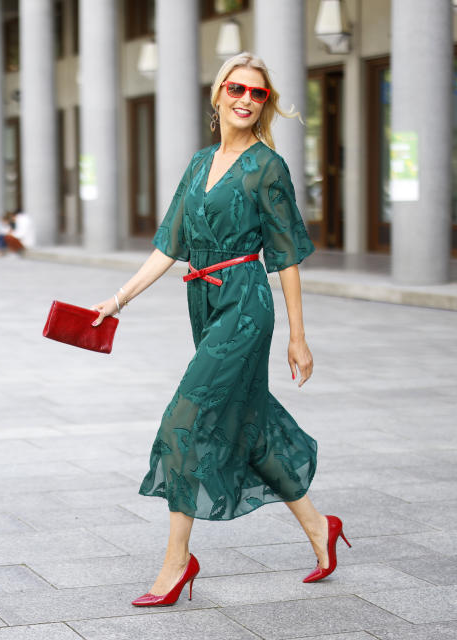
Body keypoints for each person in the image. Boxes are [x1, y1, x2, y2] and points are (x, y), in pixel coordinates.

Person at [91, 52, 348, 607]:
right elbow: (169, 245)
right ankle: (318, 528)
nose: (246, 100)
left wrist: (297, 336)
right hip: (202, 300)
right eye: (237, 89)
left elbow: (286, 257)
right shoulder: (198, 163)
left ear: (265, 105)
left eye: (258, 94)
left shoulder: (267, 167)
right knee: (249, 426)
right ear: (217, 95)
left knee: (187, 419)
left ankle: (176, 563)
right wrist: (119, 300)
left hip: (245, 302)